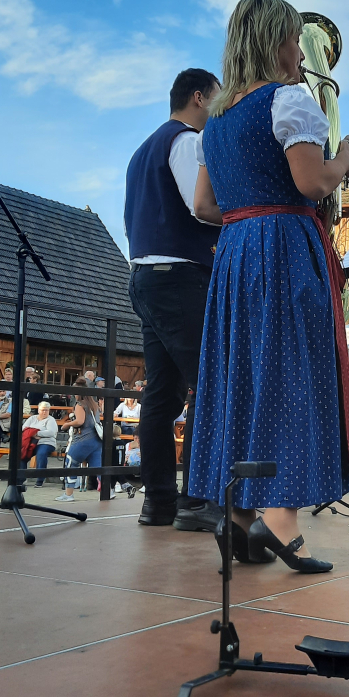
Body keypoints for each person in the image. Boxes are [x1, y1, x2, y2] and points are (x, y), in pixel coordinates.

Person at [188, 0, 349, 573]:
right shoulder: (288, 100)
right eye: (294, 40)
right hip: (284, 248)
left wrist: (249, 212)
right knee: (291, 374)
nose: (300, 53)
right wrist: (346, 160)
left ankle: (239, 516)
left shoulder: (216, 119)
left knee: (244, 376)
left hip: (235, 253)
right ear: (275, 43)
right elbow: (312, 183)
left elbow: (204, 205)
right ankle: (282, 518)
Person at [125, 67, 228, 531]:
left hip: (147, 275)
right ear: (199, 97)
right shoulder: (187, 141)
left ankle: (159, 502)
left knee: (162, 395)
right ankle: (199, 501)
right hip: (180, 276)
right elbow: (201, 207)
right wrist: (247, 215)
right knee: (210, 384)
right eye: (218, 99)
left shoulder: (142, 151)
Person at [57, 378, 103, 501]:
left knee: (71, 463)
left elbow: (80, 421)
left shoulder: (80, 405)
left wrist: (67, 424)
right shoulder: (94, 404)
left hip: (83, 439)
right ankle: (109, 490)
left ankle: (68, 494)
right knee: (98, 467)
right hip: (96, 440)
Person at [23, 401, 59, 487]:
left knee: (41, 454)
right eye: (43, 410)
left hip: (46, 442)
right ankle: (21, 478)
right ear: (38, 410)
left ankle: (40, 479)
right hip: (31, 442)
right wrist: (34, 434)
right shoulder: (32, 418)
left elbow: (51, 432)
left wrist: (36, 433)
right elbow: (24, 429)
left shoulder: (51, 420)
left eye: (46, 410)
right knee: (21, 455)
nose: (44, 412)